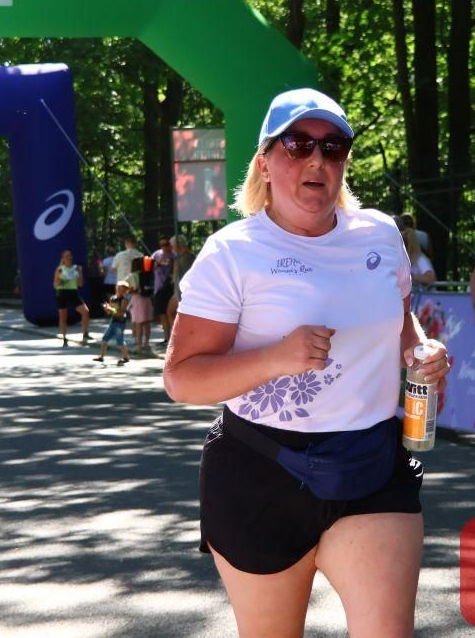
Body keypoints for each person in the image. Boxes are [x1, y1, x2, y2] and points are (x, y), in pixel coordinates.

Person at [163, 87, 450, 636]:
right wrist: (275, 358)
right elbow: (181, 379)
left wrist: (421, 351)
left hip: (371, 465)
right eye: (297, 144)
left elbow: (400, 321)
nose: (317, 159)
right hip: (260, 471)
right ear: (265, 162)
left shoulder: (379, 234)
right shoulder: (232, 252)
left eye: (333, 147)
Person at [53, 249, 91, 347]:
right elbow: (55, 285)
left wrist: (80, 273)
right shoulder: (60, 269)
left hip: (73, 292)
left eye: (70, 255)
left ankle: (85, 334)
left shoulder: (76, 268)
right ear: (63, 259)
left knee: (86, 312)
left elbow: (80, 284)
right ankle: (64, 338)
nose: (69, 257)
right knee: (63, 317)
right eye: (67, 256)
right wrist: (61, 281)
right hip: (62, 293)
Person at [94, 280, 132, 366]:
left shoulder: (124, 300)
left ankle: (126, 357)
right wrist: (106, 309)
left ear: (125, 291)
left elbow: (121, 312)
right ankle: (101, 357)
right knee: (105, 338)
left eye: (122, 290)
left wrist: (111, 309)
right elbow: (109, 313)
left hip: (120, 322)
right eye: (118, 288)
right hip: (113, 321)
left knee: (120, 340)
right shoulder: (112, 298)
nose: (119, 291)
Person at [151, 236, 176, 345]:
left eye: (166, 244)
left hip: (171, 289)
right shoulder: (156, 254)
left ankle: (174, 339)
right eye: (162, 245)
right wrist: (158, 262)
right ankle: (166, 338)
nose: (164, 247)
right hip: (159, 288)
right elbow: (150, 268)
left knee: (171, 313)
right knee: (162, 314)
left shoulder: (174, 255)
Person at [165, 234, 194, 324]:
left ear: (179, 245)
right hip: (178, 291)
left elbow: (188, 277)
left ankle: (178, 331)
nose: (171, 249)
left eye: (172, 246)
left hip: (183, 293)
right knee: (170, 312)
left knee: (174, 313)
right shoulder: (181, 257)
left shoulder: (187, 258)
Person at [126, 267, 154, 355]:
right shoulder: (148, 274)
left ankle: (139, 345)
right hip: (147, 299)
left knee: (138, 323)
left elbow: (128, 288)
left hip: (137, 299)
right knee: (147, 323)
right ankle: (146, 344)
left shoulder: (133, 275)